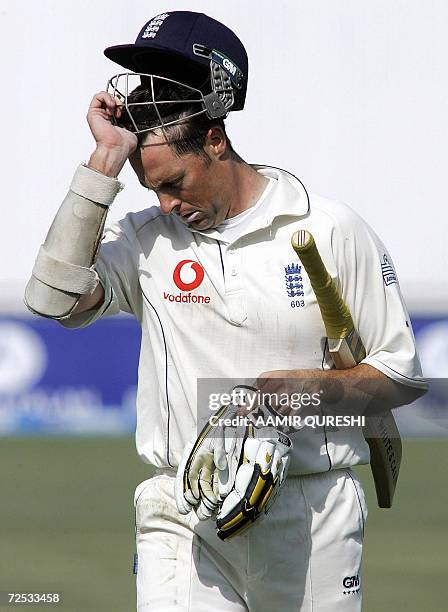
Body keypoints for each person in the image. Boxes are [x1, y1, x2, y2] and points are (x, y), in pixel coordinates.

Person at [25, 11, 427, 611]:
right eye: (151, 188)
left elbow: (400, 377)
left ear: (216, 139)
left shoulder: (327, 227)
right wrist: (105, 163)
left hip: (311, 516)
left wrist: (296, 393)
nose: (166, 204)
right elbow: (51, 300)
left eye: (177, 183)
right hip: (181, 516)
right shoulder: (145, 239)